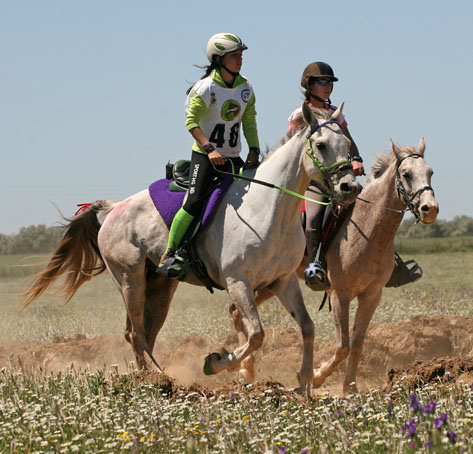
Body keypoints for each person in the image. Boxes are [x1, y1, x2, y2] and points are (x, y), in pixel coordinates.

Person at [158, 33, 260, 275]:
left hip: (233, 157)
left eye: (241, 55)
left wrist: (254, 148)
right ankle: (170, 253)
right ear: (219, 59)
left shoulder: (245, 88)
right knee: (194, 202)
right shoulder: (206, 88)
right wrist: (209, 149)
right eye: (235, 56)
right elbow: (191, 121)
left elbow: (249, 121)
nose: (240, 60)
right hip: (205, 157)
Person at [288, 62, 364, 289]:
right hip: (314, 180)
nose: (328, 86)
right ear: (309, 85)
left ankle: (387, 263)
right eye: (322, 82)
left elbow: (348, 140)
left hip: (337, 178)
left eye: (329, 82)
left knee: (368, 211)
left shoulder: (335, 114)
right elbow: (293, 148)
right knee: (313, 217)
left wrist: (357, 158)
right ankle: (314, 265)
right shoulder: (300, 114)